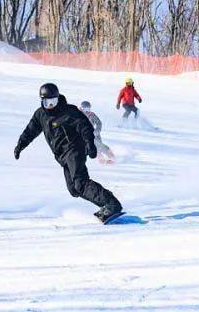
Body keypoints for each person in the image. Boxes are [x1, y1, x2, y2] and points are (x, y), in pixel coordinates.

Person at [14, 83, 123, 223]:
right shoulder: (40, 114)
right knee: (74, 190)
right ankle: (106, 204)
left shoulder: (69, 111)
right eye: (46, 102)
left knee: (80, 183)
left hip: (75, 150)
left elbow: (85, 127)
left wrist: (90, 144)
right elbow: (30, 131)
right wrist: (20, 145)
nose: (49, 106)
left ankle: (111, 205)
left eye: (52, 101)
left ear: (58, 98)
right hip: (62, 156)